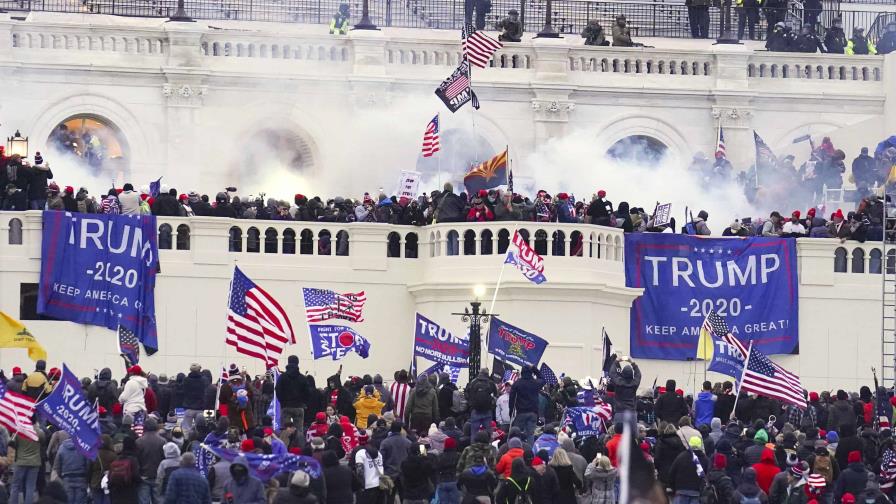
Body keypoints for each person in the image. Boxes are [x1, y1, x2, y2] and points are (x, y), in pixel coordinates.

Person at [9, 420, 44, 504]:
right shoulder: (40, 432)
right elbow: (43, 442)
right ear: (35, 421)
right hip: (35, 462)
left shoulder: (18, 431)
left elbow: (12, 443)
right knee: (30, 487)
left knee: (15, 486)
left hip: (21, 461)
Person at [509, 365, 545, 442]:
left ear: (522, 372)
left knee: (516, 433)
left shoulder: (517, 384)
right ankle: (529, 451)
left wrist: (511, 411)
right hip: (533, 413)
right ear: (531, 373)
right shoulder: (535, 383)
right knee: (530, 434)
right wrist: (535, 369)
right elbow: (543, 379)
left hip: (521, 413)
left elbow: (511, 399)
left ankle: (516, 449)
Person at [668, 436, 709, 503]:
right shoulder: (704, 459)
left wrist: (674, 488)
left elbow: (672, 473)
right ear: (700, 445)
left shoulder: (681, 456)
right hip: (696, 492)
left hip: (681, 491)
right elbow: (706, 476)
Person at [136, 417, 166, 504]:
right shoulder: (163, 441)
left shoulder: (139, 442)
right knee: (159, 501)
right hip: (158, 477)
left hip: (143, 477)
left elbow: (136, 460)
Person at [465, 368, 498, 436]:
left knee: (474, 433)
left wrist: (471, 405)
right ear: (487, 374)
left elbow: (467, 394)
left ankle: (474, 446)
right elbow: (496, 396)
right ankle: (488, 446)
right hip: (487, 411)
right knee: (488, 433)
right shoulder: (491, 383)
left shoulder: (473, 382)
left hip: (475, 410)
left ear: (479, 373)